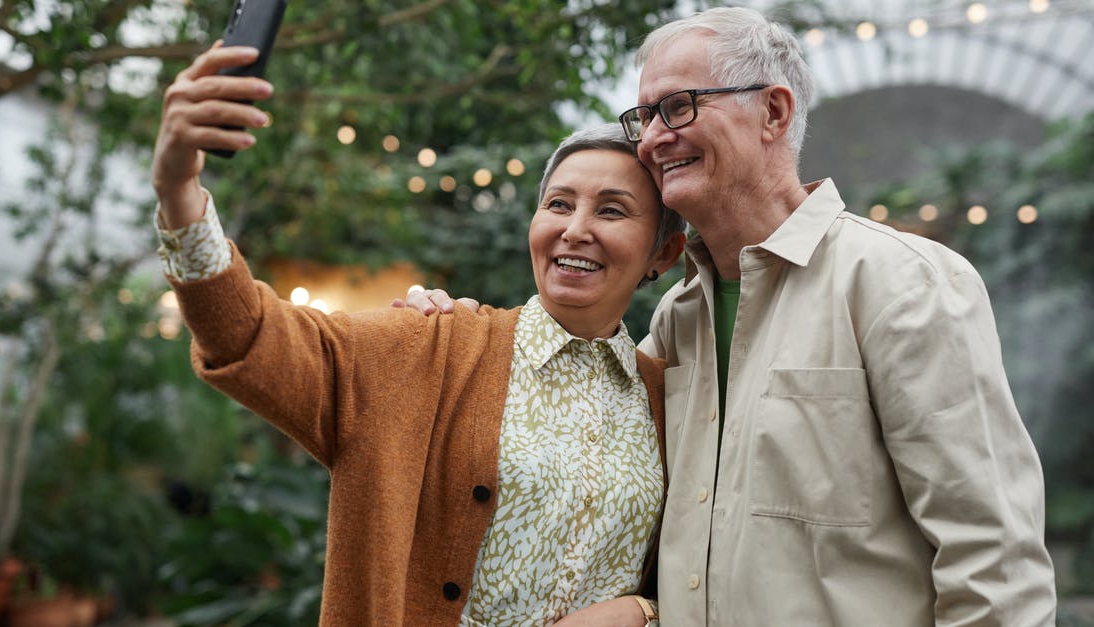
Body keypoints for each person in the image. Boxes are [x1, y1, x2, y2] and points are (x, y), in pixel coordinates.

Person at [402, 7, 1057, 625]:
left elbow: (996, 567)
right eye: (646, 116)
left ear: (773, 111)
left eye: (679, 106)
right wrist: (457, 337)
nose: (655, 138)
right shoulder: (674, 324)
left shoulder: (901, 284)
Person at [150, 43, 687, 627]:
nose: (575, 230)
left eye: (612, 211)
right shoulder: (428, 348)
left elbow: (706, 566)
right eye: (559, 204)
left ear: (663, 251)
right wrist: (178, 191)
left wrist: (643, 610)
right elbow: (247, 337)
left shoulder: (672, 397)